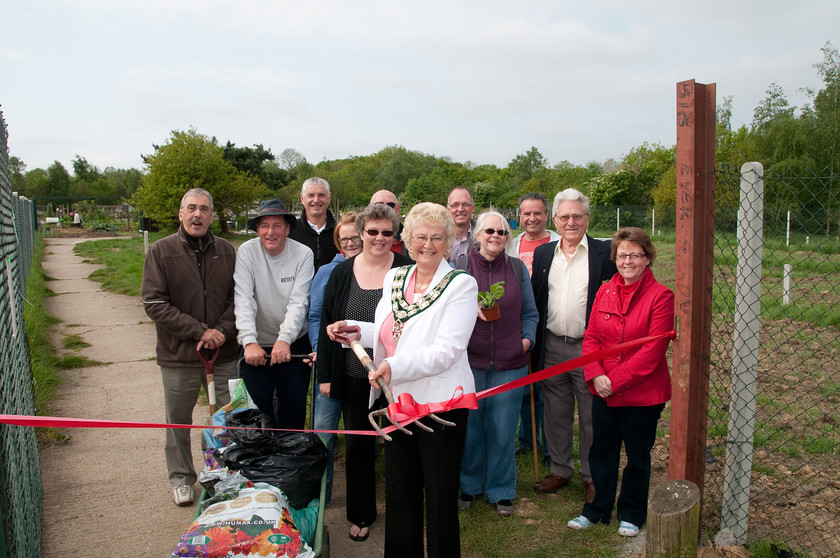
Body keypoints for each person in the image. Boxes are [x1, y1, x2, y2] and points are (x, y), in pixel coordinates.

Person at [325, 202, 478, 558]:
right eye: (420, 237)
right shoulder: (396, 277)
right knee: (400, 491)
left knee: (439, 497)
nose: (428, 244)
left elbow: (447, 350)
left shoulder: (460, 285)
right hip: (396, 402)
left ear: (448, 241)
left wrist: (394, 367)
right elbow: (387, 331)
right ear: (407, 241)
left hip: (442, 405)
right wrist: (354, 330)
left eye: (437, 237)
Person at [567, 227, 674, 537]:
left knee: (638, 456)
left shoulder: (661, 296)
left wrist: (613, 380)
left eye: (635, 255)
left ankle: (632, 512)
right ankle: (596, 510)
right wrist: (596, 374)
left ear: (648, 258)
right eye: (622, 255)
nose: (628, 261)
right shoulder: (605, 290)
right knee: (602, 451)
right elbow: (592, 337)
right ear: (614, 258)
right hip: (603, 389)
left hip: (643, 394)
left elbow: (652, 351)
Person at [318, 204, 413, 541]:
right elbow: (328, 326)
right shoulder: (341, 273)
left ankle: (404, 512)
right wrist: (326, 377)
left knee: (401, 446)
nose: (379, 238)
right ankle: (361, 513)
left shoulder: (408, 271)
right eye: (372, 231)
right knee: (358, 449)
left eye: (387, 232)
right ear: (360, 233)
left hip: (396, 377)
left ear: (395, 236)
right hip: (353, 376)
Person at [142, 188, 238, 506]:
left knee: (224, 417)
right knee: (178, 420)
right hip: (179, 354)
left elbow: (237, 298)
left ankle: (222, 472)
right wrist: (199, 331)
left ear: (212, 215)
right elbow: (155, 303)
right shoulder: (161, 251)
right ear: (180, 214)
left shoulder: (226, 250)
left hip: (222, 353)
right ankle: (182, 478)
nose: (198, 214)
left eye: (205, 209)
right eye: (192, 208)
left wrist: (221, 331)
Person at [531, 188, 616, 503]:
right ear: (555, 219)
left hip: (590, 349)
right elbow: (538, 299)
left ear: (587, 218)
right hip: (552, 345)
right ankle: (560, 469)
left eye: (577, 216)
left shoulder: (604, 254)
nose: (570, 222)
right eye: (564, 216)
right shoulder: (543, 254)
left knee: (593, 414)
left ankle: (592, 475)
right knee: (556, 410)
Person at [457, 211, 538, 517]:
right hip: (470, 362)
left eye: (502, 232)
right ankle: (469, 485)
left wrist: (526, 341)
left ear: (508, 237)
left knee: (503, 430)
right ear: (477, 235)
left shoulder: (517, 268)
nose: (495, 236)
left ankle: (501, 489)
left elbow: (530, 312)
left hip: (510, 362)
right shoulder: (461, 269)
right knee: (472, 429)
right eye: (489, 230)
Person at [234, 199, 314, 429]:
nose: (271, 232)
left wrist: (284, 339)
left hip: (293, 343)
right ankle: (259, 462)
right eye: (265, 226)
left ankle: (290, 461)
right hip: (256, 343)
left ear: (287, 229)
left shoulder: (303, 254)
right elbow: (243, 298)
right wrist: (249, 340)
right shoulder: (247, 252)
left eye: (277, 225)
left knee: (293, 408)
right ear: (257, 229)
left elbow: (299, 301)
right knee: (257, 413)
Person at [307, 211, 362, 504]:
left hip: (362, 364)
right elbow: (316, 315)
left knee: (358, 436)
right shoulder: (328, 272)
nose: (351, 242)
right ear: (338, 242)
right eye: (345, 239)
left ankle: (358, 494)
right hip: (331, 361)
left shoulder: (375, 270)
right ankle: (321, 495)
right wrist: (320, 348)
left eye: (355, 237)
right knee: (323, 434)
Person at [507, 193, 560, 463]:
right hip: (521, 323)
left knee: (549, 389)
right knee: (526, 387)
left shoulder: (558, 243)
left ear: (546, 215)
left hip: (550, 323)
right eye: (526, 213)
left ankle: (551, 447)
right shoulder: (512, 245)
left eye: (537, 213)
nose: (531, 218)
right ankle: (528, 441)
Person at [288, 177, 338, 271]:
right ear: (302, 198)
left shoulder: (340, 232)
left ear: (329, 198)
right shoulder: (290, 232)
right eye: (311, 195)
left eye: (321, 195)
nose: (316, 200)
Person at [370, 189, 409, 255]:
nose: (385, 208)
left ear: (398, 209)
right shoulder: (358, 238)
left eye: (390, 205)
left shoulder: (409, 238)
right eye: (379, 204)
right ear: (370, 208)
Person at [447, 186, 475, 264]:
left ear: (473, 208)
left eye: (465, 204)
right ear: (448, 209)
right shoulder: (439, 237)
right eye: (455, 205)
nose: (460, 209)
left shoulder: (483, 238)